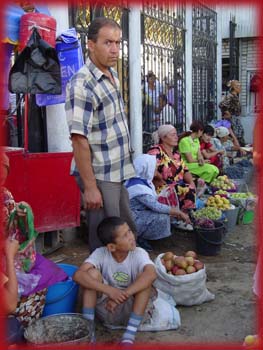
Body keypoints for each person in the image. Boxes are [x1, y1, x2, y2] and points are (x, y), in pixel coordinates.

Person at [65, 17, 136, 252]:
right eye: (108, 42)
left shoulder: (111, 75)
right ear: (91, 44)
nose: (115, 49)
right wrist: (90, 187)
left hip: (116, 170)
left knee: (123, 231)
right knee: (108, 239)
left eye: (118, 42)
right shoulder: (83, 84)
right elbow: (78, 139)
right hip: (100, 174)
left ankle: (123, 278)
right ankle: (104, 285)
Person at [1, 153, 68, 328]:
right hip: (7, 262)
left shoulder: (5, 196)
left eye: (4, 176)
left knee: (45, 271)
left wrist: (20, 218)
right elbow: (8, 305)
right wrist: (8, 255)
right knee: (32, 293)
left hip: (10, 256)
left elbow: (14, 229)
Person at [73, 216, 157, 345]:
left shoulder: (139, 253)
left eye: (129, 231)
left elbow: (151, 274)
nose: (131, 236)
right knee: (91, 274)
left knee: (145, 278)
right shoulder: (100, 253)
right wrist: (110, 291)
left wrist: (122, 295)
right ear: (112, 247)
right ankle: (89, 332)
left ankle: (129, 335)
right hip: (107, 308)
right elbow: (78, 275)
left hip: (132, 308)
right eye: (124, 235)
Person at [125, 154, 191, 250]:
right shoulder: (138, 188)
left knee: (167, 212)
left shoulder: (139, 180)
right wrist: (178, 212)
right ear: (146, 168)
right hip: (133, 219)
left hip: (137, 213)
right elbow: (156, 207)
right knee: (162, 217)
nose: (156, 169)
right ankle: (139, 237)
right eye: (154, 167)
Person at [147, 124, 196, 213]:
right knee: (186, 189)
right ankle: (182, 216)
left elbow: (185, 170)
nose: (176, 137)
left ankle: (185, 216)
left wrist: (192, 183)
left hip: (177, 186)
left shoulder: (176, 154)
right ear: (163, 138)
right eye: (173, 135)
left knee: (194, 185)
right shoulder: (156, 151)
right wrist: (162, 180)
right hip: (162, 187)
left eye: (176, 135)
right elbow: (150, 170)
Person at [219, 80, 245, 146]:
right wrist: (228, 114)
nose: (240, 88)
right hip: (232, 119)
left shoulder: (235, 96)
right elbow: (222, 105)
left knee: (239, 133)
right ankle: (236, 147)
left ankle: (239, 148)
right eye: (238, 86)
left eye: (240, 86)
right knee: (234, 134)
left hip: (235, 118)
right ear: (234, 87)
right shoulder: (230, 96)